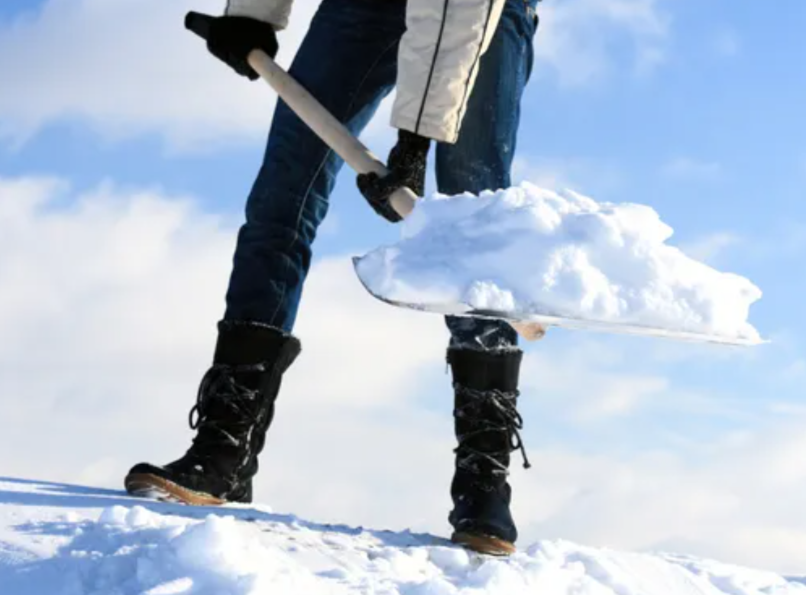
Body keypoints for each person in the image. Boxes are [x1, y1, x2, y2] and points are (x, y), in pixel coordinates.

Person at [124, 0, 539, 556]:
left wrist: (415, 137)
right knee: (283, 193)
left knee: (473, 219)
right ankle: (225, 448)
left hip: (477, 17)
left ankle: (484, 479)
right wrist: (253, 14)